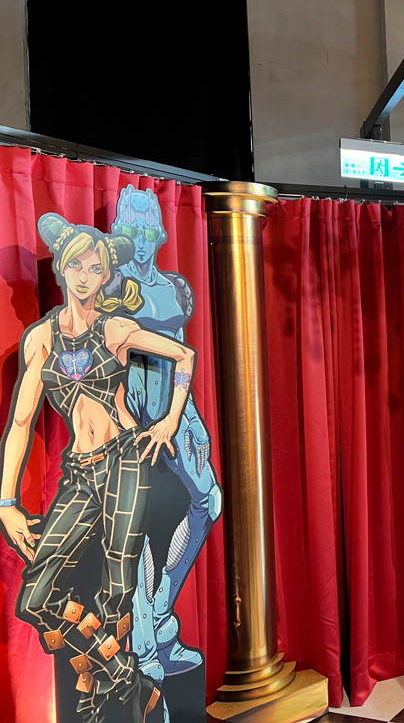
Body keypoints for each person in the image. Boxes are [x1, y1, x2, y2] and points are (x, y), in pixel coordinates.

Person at [0, 213, 196, 723]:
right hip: (80, 471)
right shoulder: (41, 340)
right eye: (76, 266)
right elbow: (20, 423)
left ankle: (101, 701)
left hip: (125, 460)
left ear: (106, 275)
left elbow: (183, 356)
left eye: (95, 268)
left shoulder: (115, 329)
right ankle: (127, 678)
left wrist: (170, 421)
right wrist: (6, 503)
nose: (85, 276)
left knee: (116, 591)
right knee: (34, 597)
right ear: (62, 270)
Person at [112, 185, 221, 685]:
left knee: (209, 501)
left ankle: (159, 612)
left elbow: (182, 356)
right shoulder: (112, 287)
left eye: (148, 228)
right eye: (132, 229)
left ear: (158, 232)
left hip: (176, 408)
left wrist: (186, 418)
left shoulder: (176, 287)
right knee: (137, 524)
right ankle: (144, 644)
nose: (141, 239)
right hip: (130, 412)